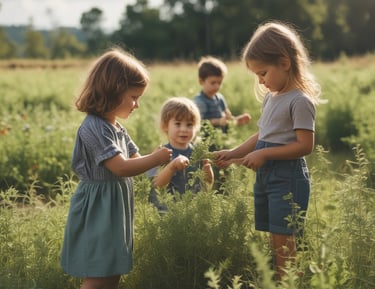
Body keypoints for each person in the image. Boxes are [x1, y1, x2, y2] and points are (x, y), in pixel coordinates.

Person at [214, 21, 325, 280]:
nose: (261, 81)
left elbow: (304, 146)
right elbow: (262, 135)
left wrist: (264, 154)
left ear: (284, 63)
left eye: (263, 73)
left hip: (287, 177)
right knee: (275, 232)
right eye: (257, 76)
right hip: (268, 176)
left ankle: (286, 281)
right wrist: (234, 152)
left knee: (284, 237)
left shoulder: (300, 101)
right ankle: (281, 277)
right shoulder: (271, 97)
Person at [60, 48, 172, 289]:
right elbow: (120, 167)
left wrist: (167, 165)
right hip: (99, 207)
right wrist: (155, 158)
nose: (137, 105)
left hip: (115, 206)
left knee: (113, 270)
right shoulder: (94, 128)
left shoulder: (116, 127)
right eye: (134, 97)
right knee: (99, 272)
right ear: (113, 90)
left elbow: (137, 160)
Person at [147, 97, 214, 211]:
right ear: (165, 126)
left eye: (189, 125)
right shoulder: (161, 153)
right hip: (167, 212)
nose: (184, 129)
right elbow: (157, 184)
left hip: (193, 211)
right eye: (177, 124)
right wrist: (172, 167)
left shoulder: (197, 153)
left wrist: (207, 169)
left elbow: (208, 184)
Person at [193, 56, 251, 133]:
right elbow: (200, 122)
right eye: (213, 83)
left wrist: (235, 120)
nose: (217, 86)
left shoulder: (219, 98)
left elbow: (227, 116)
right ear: (201, 81)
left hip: (222, 136)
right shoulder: (199, 100)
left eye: (219, 83)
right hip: (208, 139)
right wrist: (218, 122)